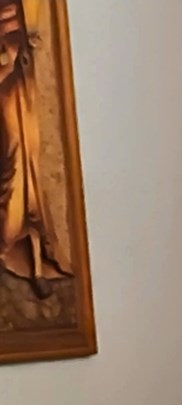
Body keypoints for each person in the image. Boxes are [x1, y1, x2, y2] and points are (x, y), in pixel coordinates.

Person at [0, 0, 66, 300]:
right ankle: (9, 246)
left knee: (31, 166)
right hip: (6, 84)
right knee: (13, 162)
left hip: (22, 78)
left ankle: (37, 264)